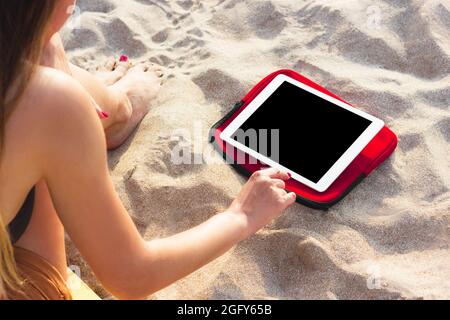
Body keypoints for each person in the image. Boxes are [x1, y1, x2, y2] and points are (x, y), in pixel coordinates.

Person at [0, 0, 296, 300]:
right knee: (49, 108)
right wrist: (240, 216)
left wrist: (47, 54)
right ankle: (115, 110)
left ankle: (113, 109)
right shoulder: (44, 103)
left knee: (43, 64)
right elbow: (131, 276)